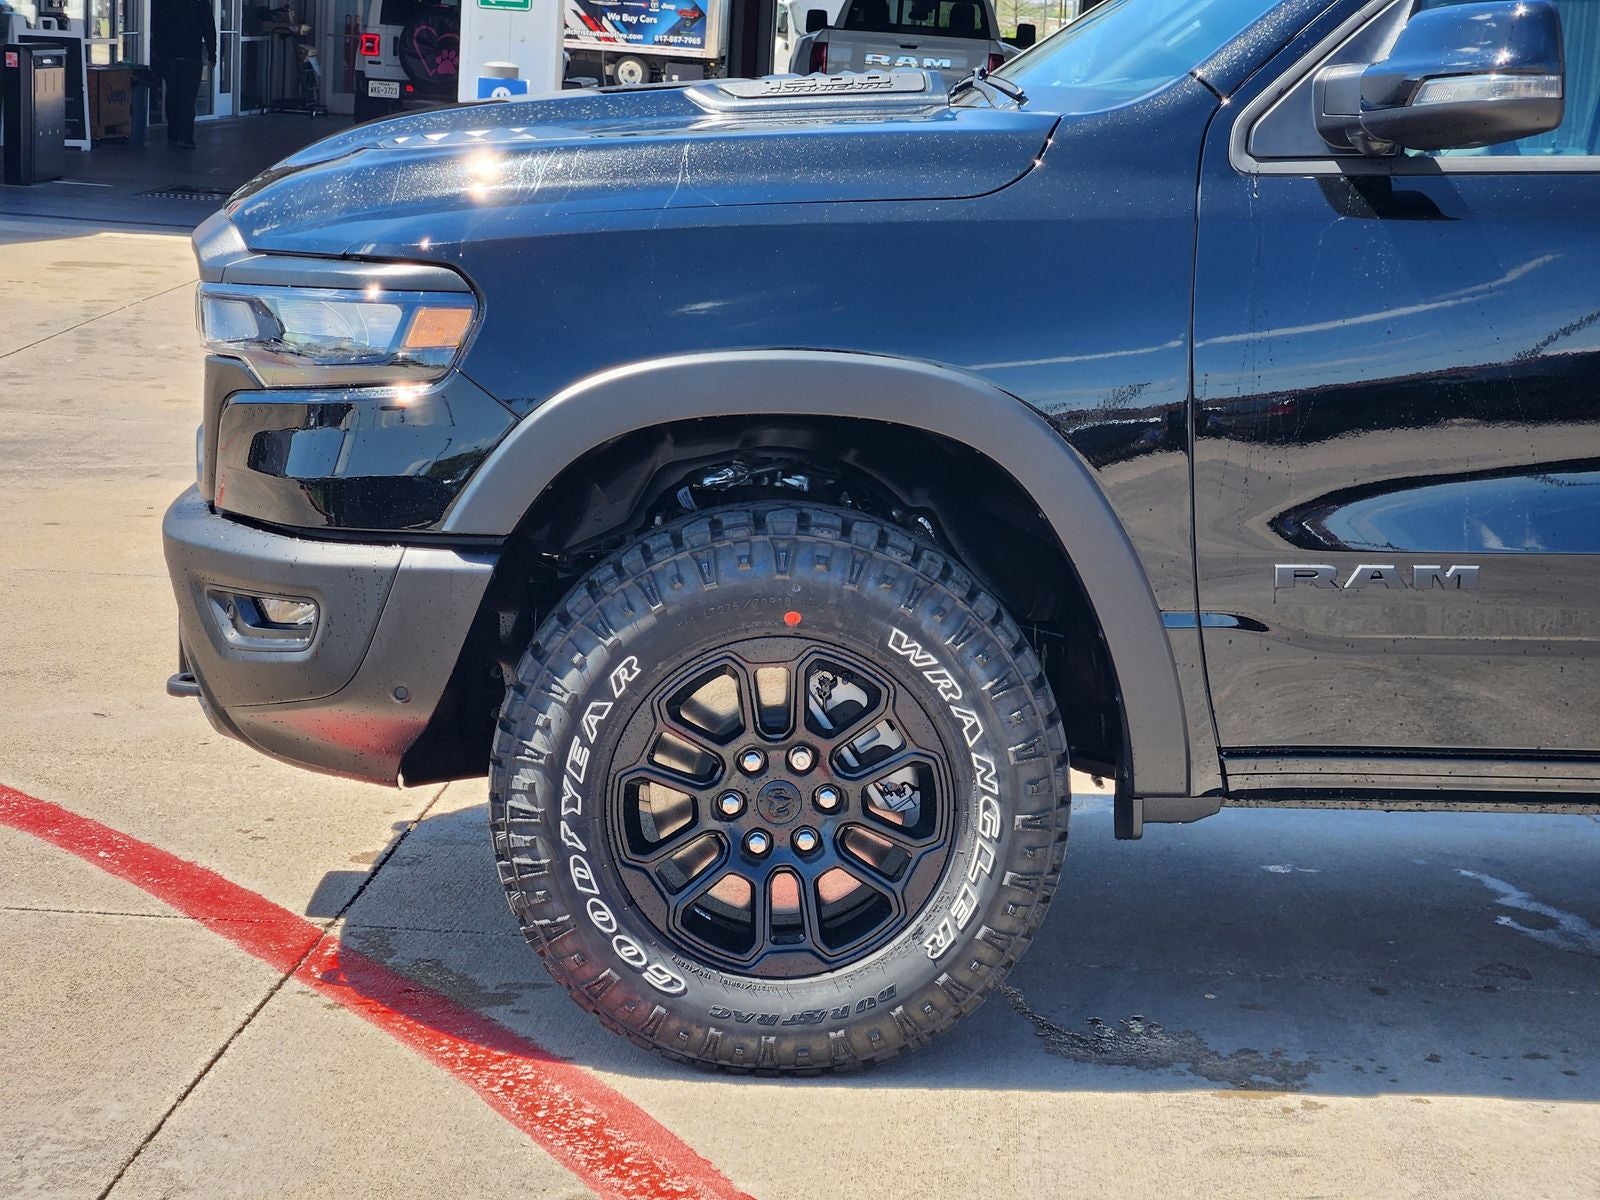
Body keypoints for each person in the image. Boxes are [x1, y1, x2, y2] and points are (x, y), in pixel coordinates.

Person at [150, 0, 216, 149]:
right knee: (187, 97)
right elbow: (208, 25)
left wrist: (157, 51)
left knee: (172, 94)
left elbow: (156, 22)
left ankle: (173, 135)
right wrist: (212, 53)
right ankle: (185, 137)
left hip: (168, 54)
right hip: (191, 54)